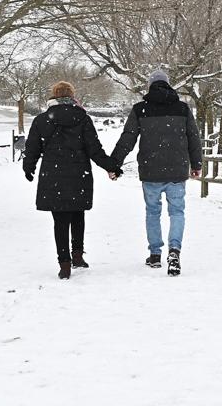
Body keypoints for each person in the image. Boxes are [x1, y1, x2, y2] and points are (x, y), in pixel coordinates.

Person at [22, 81, 121, 279]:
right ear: (72, 96)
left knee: (60, 220)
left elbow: (32, 149)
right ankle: (77, 255)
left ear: (53, 96)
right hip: (79, 174)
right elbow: (94, 149)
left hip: (53, 176)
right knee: (77, 215)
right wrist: (111, 166)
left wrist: (29, 167)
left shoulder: (41, 120)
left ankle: (64, 263)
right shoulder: (83, 119)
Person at [110, 69, 203, 276]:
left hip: (151, 170)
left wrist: (114, 164)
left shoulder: (140, 109)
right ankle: (174, 250)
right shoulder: (182, 109)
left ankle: (154, 254)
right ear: (168, 85)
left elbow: (128, 139)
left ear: (150, 86)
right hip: (177, 170)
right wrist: (196, 164)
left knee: (153, 212)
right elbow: (193, 138)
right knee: (177, 212)